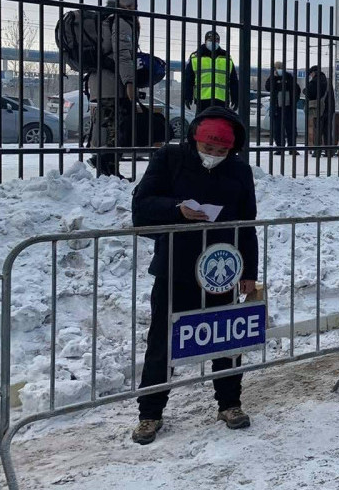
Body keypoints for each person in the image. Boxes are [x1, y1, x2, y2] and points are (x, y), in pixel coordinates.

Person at [130, 107, 258, 445]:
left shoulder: (239, 171)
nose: (213, 156)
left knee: (228, 339)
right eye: (208, 148)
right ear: (194, 139)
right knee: (162, 342)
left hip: (222, 268)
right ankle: (150, 413)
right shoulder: (170, 158)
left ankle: (229, 403)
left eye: (221, 151)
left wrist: (249, 272)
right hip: (177, 266)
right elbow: (142, 205)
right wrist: (177, 211)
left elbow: (247, 224)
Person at [88, 0, 139, 179]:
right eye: (132, 5)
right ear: (124, 6)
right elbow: (123, 54)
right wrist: (129, 82)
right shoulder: (121, 22)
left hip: (100, 84)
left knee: (108, 127)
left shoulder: (107, 20)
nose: (135, 9)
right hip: (111, 84)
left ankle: (106, 169)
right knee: (115, 130)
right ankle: (109, 171)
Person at [183, 31, 240, 113]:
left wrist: (235, 97)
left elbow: (233, 80)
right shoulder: (195, 57)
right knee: (202, 124)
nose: (214, 42)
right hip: (202, 100)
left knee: (220, 125)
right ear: (205, 41)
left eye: (217, 40)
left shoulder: (226, 57)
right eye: (211, 40)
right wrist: (187, 96)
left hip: (221, 100)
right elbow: (188, 79)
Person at [263, 61, 301, 155]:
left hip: (288, 107)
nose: (279, 69)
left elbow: (296, 89)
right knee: (278, 129)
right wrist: (274, 77)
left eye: (280, 67)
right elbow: (268, 87)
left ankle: (291, 147)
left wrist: (293, 100)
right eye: (277, 68)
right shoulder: (273, 77)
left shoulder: (289, 77)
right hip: (277, 107)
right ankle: (281, 147)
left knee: (290, 129)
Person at [304, 65, 336, 156]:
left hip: (319, 109)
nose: (310, 76)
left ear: (313, 73)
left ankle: (317, 151)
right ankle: (329, 151)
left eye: (310, 74)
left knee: (318, 130)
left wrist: (305, 90)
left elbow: (310, 94)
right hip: (329, 109)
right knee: (327, 131)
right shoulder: (328, 81)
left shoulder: (315, 81)